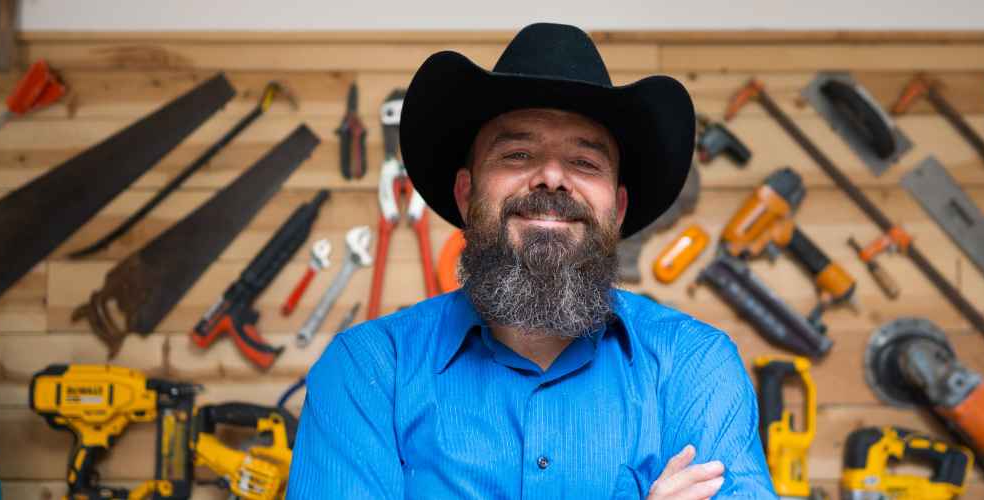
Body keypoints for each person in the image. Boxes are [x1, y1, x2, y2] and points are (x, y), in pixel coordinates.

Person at [287, 22, 774, 499]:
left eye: (585, 162)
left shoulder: (694, 365)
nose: (551, 178)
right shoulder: (368, 371)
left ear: (618, 209)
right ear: (466, 194)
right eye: (518, 154)